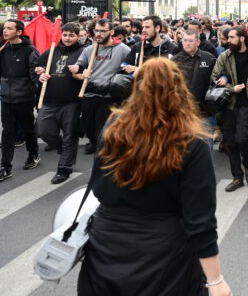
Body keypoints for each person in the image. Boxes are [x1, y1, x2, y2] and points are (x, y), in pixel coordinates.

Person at [77, 58, 231, 296]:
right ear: (180, 90)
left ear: (136, 87)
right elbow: (200, 219)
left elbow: (98, 185)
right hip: (164, 253)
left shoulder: (114, 124)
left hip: (107, 244)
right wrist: (215, 280)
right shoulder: (192, 139)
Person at [211, 26, 248, 192]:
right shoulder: (224, 56)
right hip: (228, 105)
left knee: (242, 139)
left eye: (232, 37)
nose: (229, 41)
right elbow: (214, 77)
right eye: (228, 38)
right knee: (230, 143)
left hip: (247, 105)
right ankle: (237, 177)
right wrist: (230, 88)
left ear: (242, 38)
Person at [0, 19, 40, 183]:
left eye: (9, 28)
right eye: (4, 28)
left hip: (24, 97)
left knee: (28, 129)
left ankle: (33, 155)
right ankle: (5, 167)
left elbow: (35, 75)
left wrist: (34, 85)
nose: (5, 31)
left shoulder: (30, 50)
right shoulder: (1, 48)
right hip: (6, 97)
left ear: (19, 32)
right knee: (7, 132)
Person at [70, 19, 131, 154]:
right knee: (87, 126)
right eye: (97, 30)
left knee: (102, 129)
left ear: (111, 32)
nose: (99, 34)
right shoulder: (89, 49)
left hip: (108, 95)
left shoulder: (122, 49)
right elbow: (78, 68)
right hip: (89, 93)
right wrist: (78, 70)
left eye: (103, 31)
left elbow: (130, 68)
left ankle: (103, 151)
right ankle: (94, 142)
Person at [35, 22, 85, 184]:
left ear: (78, 36)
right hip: (49, 100)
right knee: (44, 131)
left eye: (72, 35)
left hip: (71, 102)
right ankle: (65, 150)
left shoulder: (84, 52)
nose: (68, 38)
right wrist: (40, 74)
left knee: (70, 135)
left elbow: (89, 72)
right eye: (65, 35)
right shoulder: (51, 51)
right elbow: (38, 68)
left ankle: (64, 168)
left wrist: (80, 71)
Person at [173, 29, 217, 113]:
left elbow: (218, 75)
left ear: (198, 42)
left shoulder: (209, 58)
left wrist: (224, 77)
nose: (187, 43)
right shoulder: (175, 60)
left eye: (190, 41)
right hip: (183, 109)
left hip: (206, 109)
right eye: (185, 40)